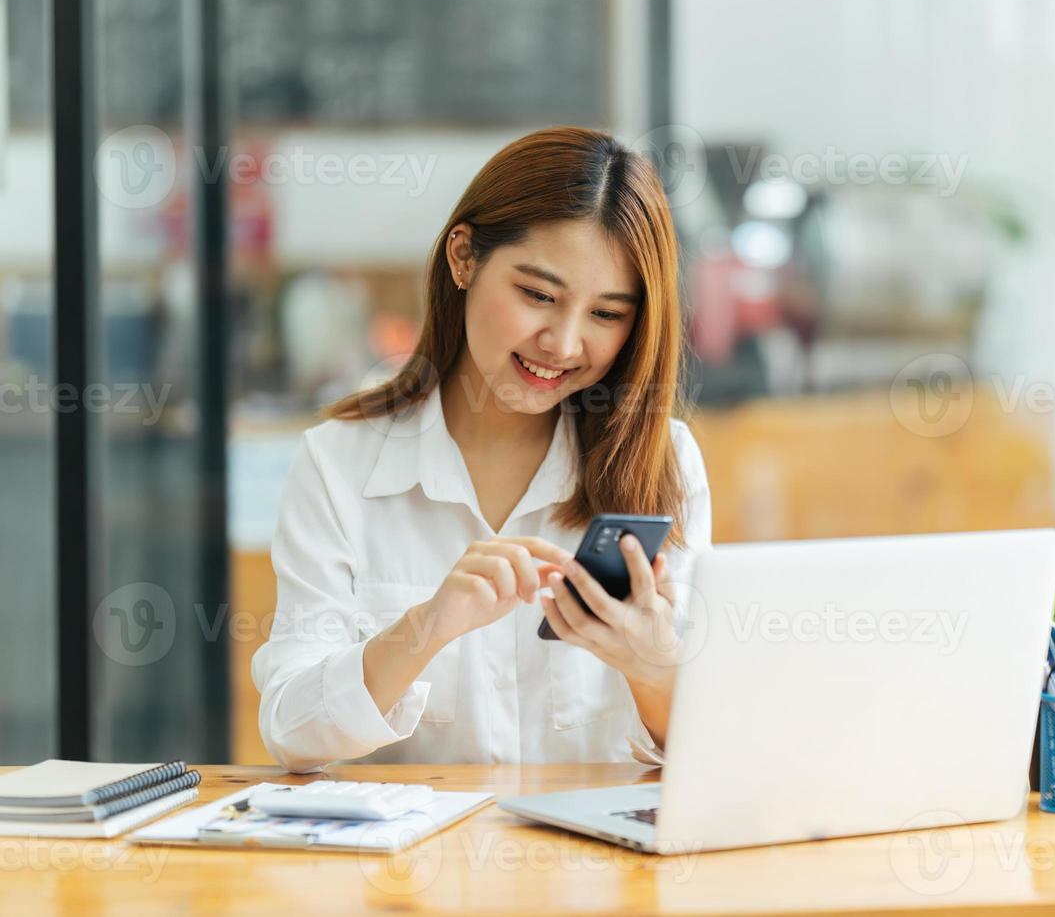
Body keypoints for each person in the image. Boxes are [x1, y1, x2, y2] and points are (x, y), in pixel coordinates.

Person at [252, 127, 712, 772]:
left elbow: (712, 754)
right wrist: (427, 626)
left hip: (601, 869)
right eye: (539, 296)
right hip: (411, 871)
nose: (563, 343)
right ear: (463, 257)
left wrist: (650, 663)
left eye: (606, 314)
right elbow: (292, 732)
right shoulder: (340, 462)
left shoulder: (663, 462)